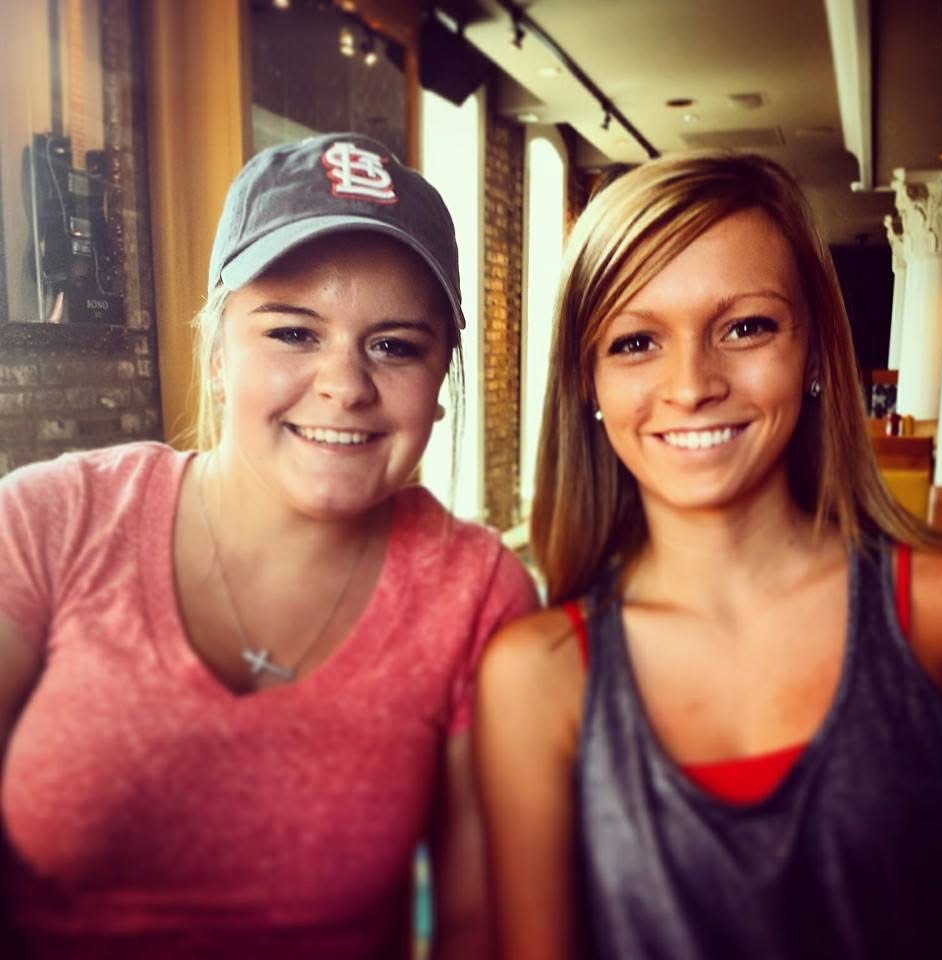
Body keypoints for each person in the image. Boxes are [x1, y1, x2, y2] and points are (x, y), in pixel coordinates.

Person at [0, 132, 538, 959]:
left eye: (395, 346)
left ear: (438, 384)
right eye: (293, 333)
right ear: (218, 356)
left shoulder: (475, 591)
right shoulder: (49, 520)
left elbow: (476, 928)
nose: (345, 386)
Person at [474, 151, 942, 960]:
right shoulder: (538, 676)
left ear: (815, 353)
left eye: (745, 327)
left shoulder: (939, 615)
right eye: (636, 342)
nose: (692, 384)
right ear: (588, 383)